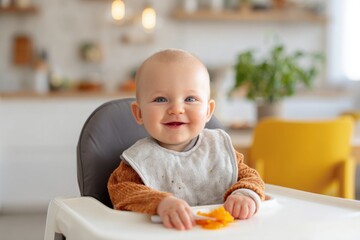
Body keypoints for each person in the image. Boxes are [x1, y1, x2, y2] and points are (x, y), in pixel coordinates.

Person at [108, 49, 265, 231]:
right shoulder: (139, 161)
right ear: (139, 113)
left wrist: (244, 194)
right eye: (160, 99)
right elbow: (121, 192)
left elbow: (250, 177)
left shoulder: (217, 149)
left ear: (208, 111)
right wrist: (161, 203)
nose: (176, 109)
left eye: (190, 98)